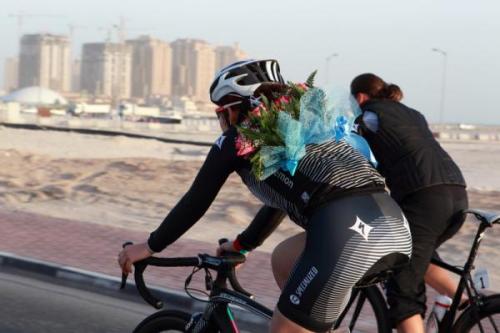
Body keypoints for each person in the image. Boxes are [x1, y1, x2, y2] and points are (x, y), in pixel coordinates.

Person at [118, 60, 412, 333]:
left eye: (223, 112)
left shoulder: (241, 137)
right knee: (284, 260)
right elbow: (282, 202)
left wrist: (150, 246)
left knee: (284, 328)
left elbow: (196, 200)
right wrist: (241, 246)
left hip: (347, 233)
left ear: (238, 107)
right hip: (393, 226)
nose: (223, 122)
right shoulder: (305, 126)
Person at [350, 73, 468, 333]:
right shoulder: (412, 113)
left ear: (359, 97)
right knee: (416, 252)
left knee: (403, 290)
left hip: (424, 197)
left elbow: (354, 154)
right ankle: (469, 306)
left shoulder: (368, 115)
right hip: (457, 192)